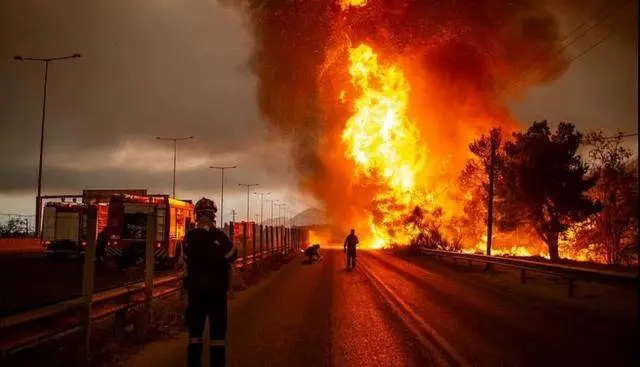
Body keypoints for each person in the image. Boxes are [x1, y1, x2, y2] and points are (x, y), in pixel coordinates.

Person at [184, 197, 237, 367]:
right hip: (217, 294)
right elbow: (233, 255)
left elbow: (183, 260)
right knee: (218, 338)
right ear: (213, 215)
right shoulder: (221, 237)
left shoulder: (189, 238)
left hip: (196, 294)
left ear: (197, 215)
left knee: (195, 337)